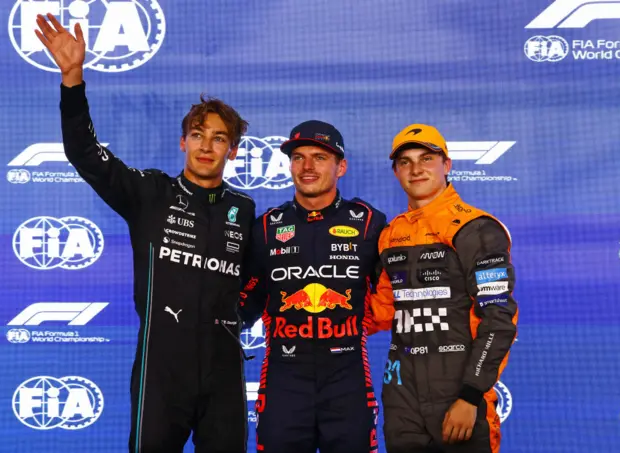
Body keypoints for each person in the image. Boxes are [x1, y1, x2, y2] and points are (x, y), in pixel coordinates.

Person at [36, 14, 255, 453]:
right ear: (183, 143)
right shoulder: (150, 192)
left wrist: (230, 323)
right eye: (197, 135)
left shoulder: (244, 209)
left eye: (218, 139)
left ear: (232, 150)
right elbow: (85, 154)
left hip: (224, 374)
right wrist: (73, 81)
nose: (206, 146)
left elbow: (258, 281)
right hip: (161, 372)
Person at [238, 120, 386, 453]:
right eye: (298, 157)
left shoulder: (369, 223)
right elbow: (243, 302)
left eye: (319, 157)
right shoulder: (266, 228)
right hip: (283, 378)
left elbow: (394, 296)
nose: (307, 166)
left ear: (341, 166)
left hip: (347, 379)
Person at [369, 124, 518, 453]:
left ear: (447, 164)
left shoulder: (476, 228)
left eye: (426, 158)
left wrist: (470, 394)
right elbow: (379, 311)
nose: (416, 169)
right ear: (395, 171)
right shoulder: (389, 234)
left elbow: (498, 319)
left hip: (458, 390)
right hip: (401, 394)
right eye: (405, 162)